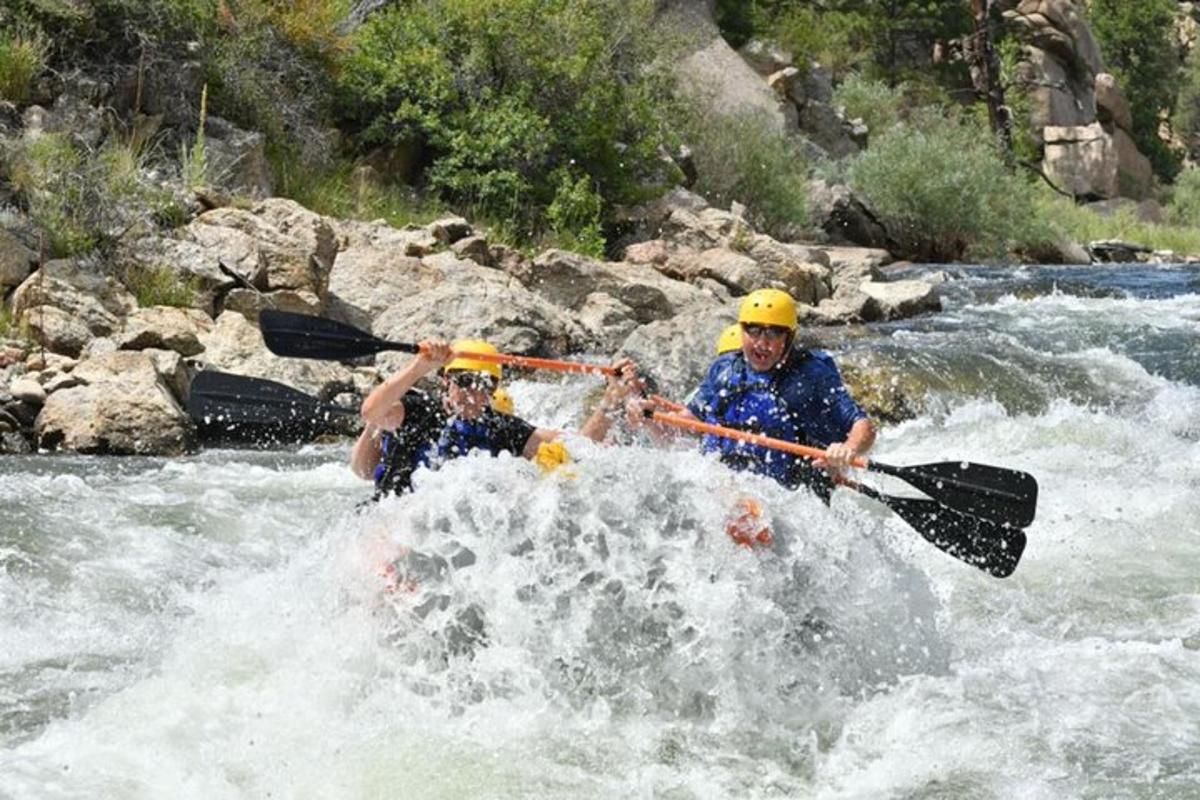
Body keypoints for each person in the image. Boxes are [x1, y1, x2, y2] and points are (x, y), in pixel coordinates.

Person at [635, 288, 875, 499]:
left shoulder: (811, 375)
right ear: (742, 331)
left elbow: (863, 425)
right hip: (720, 483)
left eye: (772, 333)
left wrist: (848, 449)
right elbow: (687, 427)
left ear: (788, 337)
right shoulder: (725, 370)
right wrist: (650, 418)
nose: (761, 343)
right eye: (754, 331)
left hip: (790, 496)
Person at [356, 338, 640, 493]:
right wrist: (418, 367)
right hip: (390, 519)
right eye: (465, 382)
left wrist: (612, 398)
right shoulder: (418, 411)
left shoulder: (501, 427)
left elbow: (580, 445)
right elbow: (371, 411)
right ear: (446, 381)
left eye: (484, 385)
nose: (474, 394)